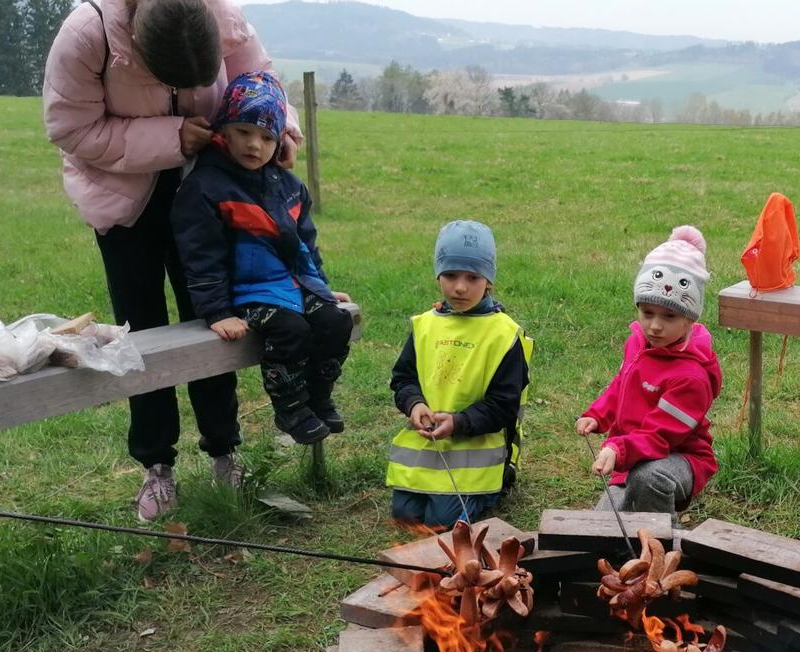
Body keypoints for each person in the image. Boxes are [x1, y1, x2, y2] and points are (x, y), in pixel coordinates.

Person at [43, 0, 302, 521]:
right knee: (141, 332)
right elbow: (71, 129)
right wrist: (170, 137)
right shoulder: (87, 32)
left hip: (205, 191)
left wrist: (284, 127)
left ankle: (225, 452)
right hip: (123, 199)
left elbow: (258, 77)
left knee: (214, 319)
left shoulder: (219, 10)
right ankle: (156, 465)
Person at [171, 71, 352, 445]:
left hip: (291, 284)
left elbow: (306, 244)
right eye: (243, 131)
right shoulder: (205, 187)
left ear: (280, 141)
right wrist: (218, 311)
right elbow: (201, 255)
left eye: (268, 137)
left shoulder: (288, 186)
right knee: (291, 330)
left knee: (335, 322)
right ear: (223, 129)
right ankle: (291, 408)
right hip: (247, 295)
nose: (255, 145)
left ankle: (318, 398)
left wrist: (321, 288)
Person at [386, 221, 532, 529]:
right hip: (429, 446)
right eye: (450, 275)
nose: (460, 287)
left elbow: (504, 405)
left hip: (476, 451)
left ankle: (494, 487)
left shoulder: (504, 334)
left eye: (473, 277)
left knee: (441, 522)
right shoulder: (423, 325)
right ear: (438, 275)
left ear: (489, 281)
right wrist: (414, 404)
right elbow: (403, 378)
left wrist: (459, 422)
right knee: (405, 516)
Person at [575, 226, 723, 519]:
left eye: (669, 316)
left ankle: (663, 547)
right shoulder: (639, 343)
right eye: (647, 313)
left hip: (678, 456)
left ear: (690, 319)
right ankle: (632, 539)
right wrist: (598, 414)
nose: (655, 326)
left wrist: (618, 449)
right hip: (633, 454)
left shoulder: (690, 377)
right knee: (601, 525)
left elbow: (661, 436)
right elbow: (621, 385)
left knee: (648, 481)